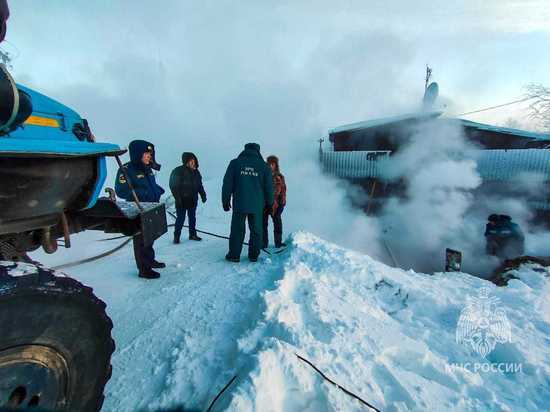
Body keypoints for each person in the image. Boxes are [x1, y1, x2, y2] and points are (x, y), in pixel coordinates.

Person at [115, 139, 166, 279]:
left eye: (150, 153)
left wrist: (157, 190)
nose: (149, 156)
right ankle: (144, 269)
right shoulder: (126, 170)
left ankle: (150, 260)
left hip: (151, 207)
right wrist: (141, 194)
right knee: (141, 239)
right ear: (138, 154)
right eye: (146, 153)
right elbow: (120, 191)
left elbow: (149, 186)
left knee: (150, 237)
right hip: (138, 208)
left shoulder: (148, 168)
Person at [222, 143, 274, 262]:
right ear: (258, 151)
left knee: (237, 229)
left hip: (240, 203)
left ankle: (234, 255)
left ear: (245, 150)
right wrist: (270, 204)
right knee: (256, 230)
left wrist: (225, 200)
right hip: (257, 205)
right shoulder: (264, 166)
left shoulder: (235, 163)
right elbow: (269, 188)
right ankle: (254, 255)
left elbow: (227, 183)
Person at [169, 152, 207, 244]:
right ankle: (176, 236)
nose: (193, 163)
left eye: (194, 161)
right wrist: (178, 198)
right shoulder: (178, 171)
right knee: (180, 219)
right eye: (191, 161)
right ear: (186, 161)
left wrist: (203, 194)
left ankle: (192, 234)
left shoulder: (196, 172)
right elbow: (173, 186)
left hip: (193, 200)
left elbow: (199, 185)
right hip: (182, 201)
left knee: (192, 218)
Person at [263, 155, 287, 248]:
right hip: (264, 204)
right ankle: (263, 243)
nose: (270, 166)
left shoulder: (280, 177)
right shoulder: (263, 175)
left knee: (277, 224)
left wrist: (282, 204)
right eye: (269, 164)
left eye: (273, 164)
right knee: (263, 225)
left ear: (276, 165)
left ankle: (278, 242)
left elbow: (283, 191)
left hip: (276, 205)